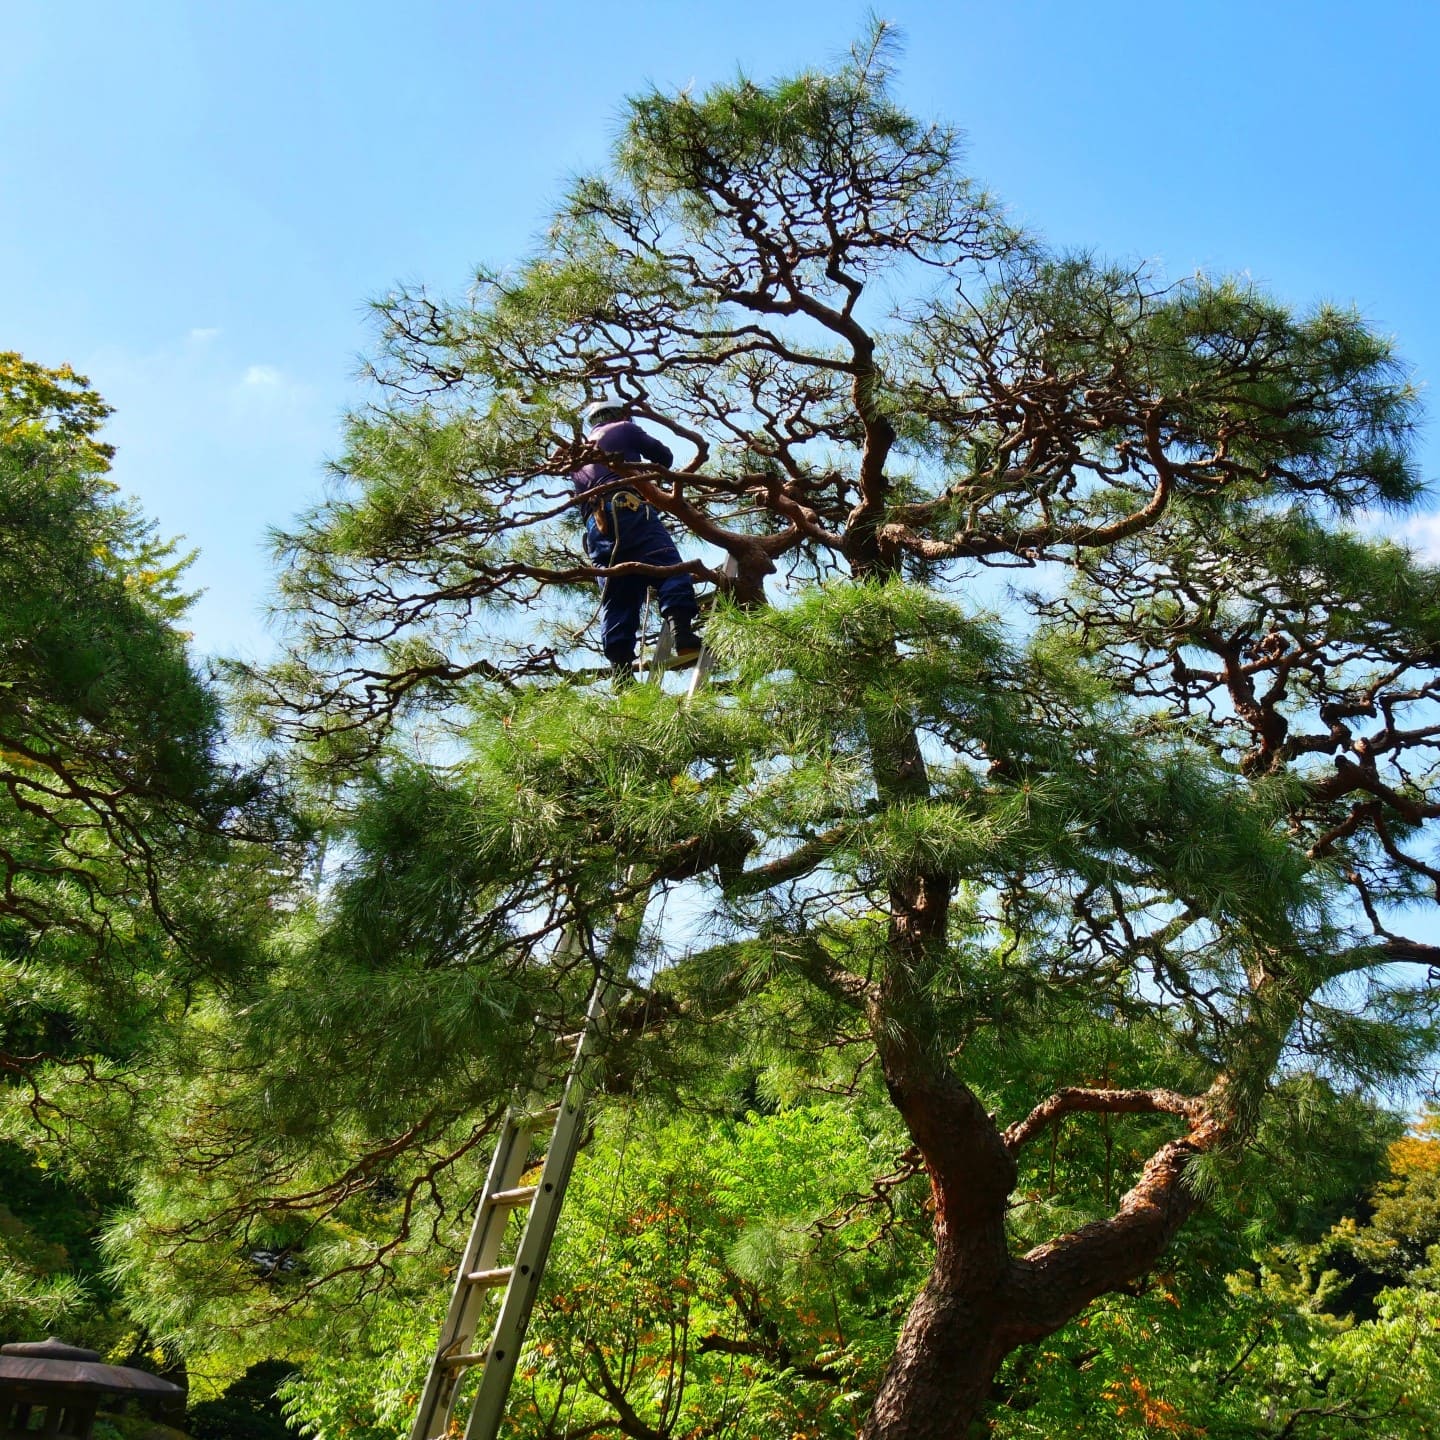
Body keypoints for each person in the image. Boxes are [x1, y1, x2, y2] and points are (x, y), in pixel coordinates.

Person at [572, 399, 703, 674]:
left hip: (597, 529)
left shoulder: (580, 457)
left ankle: (620, 671)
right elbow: (663, 456)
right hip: (627, 508)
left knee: (617, 594)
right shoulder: (623, 428)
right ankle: (684, 635)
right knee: (668, 566)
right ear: (621, 414)